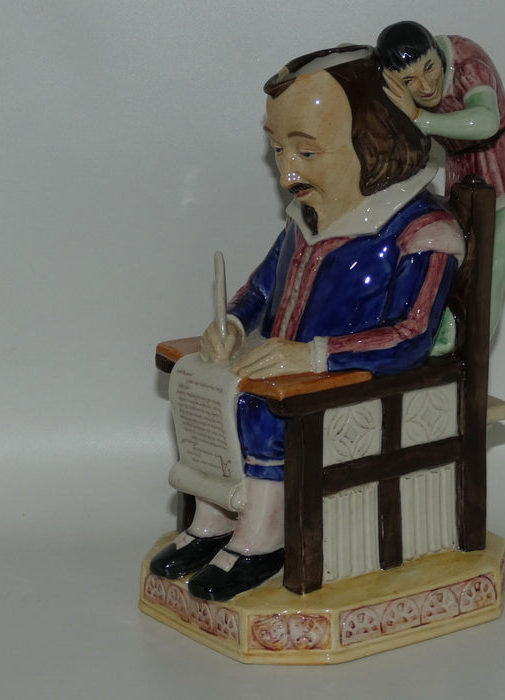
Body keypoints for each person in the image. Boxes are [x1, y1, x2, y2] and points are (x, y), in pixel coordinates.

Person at [149, 46, 466, 602]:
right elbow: (260, 289)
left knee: (259, 409)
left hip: (356, 385)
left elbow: (412, 336)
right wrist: (233, 323)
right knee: (199, 386)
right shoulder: (304, 221)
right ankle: (214, 520)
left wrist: (315, 355)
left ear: (374, 141)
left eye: (307, 151)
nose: (287, 173)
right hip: (289, 372)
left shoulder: (424, 232)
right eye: (277, 150)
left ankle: (262, 538)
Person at [377, 21, 505, 335]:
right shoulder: (392, 83)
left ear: (436, 52)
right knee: (453, 266)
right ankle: (438, 339)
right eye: (409, 81)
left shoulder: (468, 62)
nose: (425, 86)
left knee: (489, 272)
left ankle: (470, 346)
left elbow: (486, 120)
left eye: (429, 68)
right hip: (461, 177)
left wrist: (420, 118)